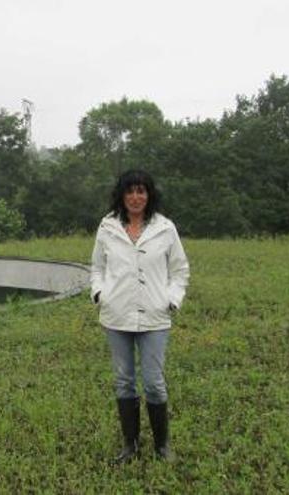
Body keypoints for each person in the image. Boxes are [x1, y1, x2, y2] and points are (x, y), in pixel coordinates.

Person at [90, 169, 190, 463]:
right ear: (122, 195)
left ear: (149, 195)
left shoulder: (165, 228)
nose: (136, 197)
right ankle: (130, 446)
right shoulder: (107, 226)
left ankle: (162, 446)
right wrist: (99, 293)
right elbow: (96, 267)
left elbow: (180, 270)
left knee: (154, 382)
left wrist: (171, 300)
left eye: (141, 191)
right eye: (130, 191)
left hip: (155, 317)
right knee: (123, 381)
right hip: (116, 315)